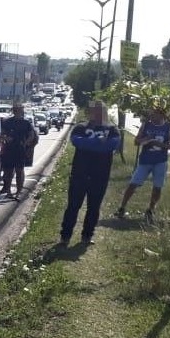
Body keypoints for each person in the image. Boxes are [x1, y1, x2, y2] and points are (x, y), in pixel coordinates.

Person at [60, 101, 121, 245]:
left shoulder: (112, 130)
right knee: (73, 206)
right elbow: (76, 142)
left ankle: (87, 236)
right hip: (79, 174)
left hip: (100, 176)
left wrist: (90, 143)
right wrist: (99, 142)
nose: (98, 113)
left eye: (100, 110)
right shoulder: (80, 127)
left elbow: (112, 146)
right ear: (90, 112)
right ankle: (65, 236)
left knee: (93, 207)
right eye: (95, 110)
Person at [115, 107, 170, 222]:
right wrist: (146, 139)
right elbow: (136, 141)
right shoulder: (146, 125)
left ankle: (150, 210)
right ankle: (122, 207)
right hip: (145, 160)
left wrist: (161, 145)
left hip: (160, 161)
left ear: (162, 115)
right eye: (151, 114)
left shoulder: (169, 128)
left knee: (157, 187)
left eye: (154, 114)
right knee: (133, 183)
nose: (152, 116)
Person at [0, 103, 38, 200]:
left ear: (22, 111)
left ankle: (19, 191)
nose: (17, 112)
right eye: (15, 110)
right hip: (9, 150)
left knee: (19, 171)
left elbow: (31, 135)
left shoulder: (26, 123)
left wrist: (26, 143)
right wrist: (6, 138)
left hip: (20, 150)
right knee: (8, 172)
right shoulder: (7, 122)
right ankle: (8, 191)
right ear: (13, 111)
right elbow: (2, 135)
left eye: (19, 110)